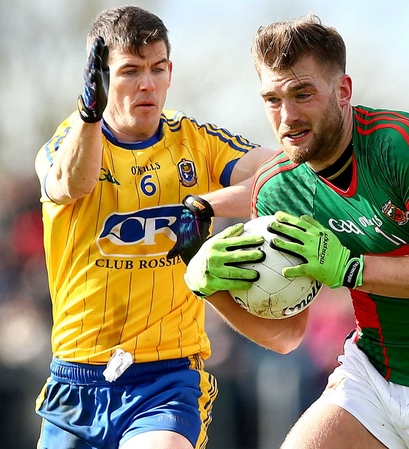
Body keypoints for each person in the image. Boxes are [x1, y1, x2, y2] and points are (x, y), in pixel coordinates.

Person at [183, 14, 409, 449]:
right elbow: (286, 335)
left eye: (302, 94)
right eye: (273, 99)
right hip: (375, 375)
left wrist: (350, 268)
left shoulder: (401, 144)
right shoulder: (278, 188)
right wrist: (209, 286)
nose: (287, 116)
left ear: (343, 91)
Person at [33, 6, 273, 449]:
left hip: (166, 378)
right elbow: (70, 183)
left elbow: (279, 174)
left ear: (169, 73)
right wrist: (89, 117)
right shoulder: (66, 143)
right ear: (100, 78)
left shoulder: (195, 140)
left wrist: (206, 205)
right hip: (76, 380)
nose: (147, 84)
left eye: (157, 69)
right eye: (130, 71)